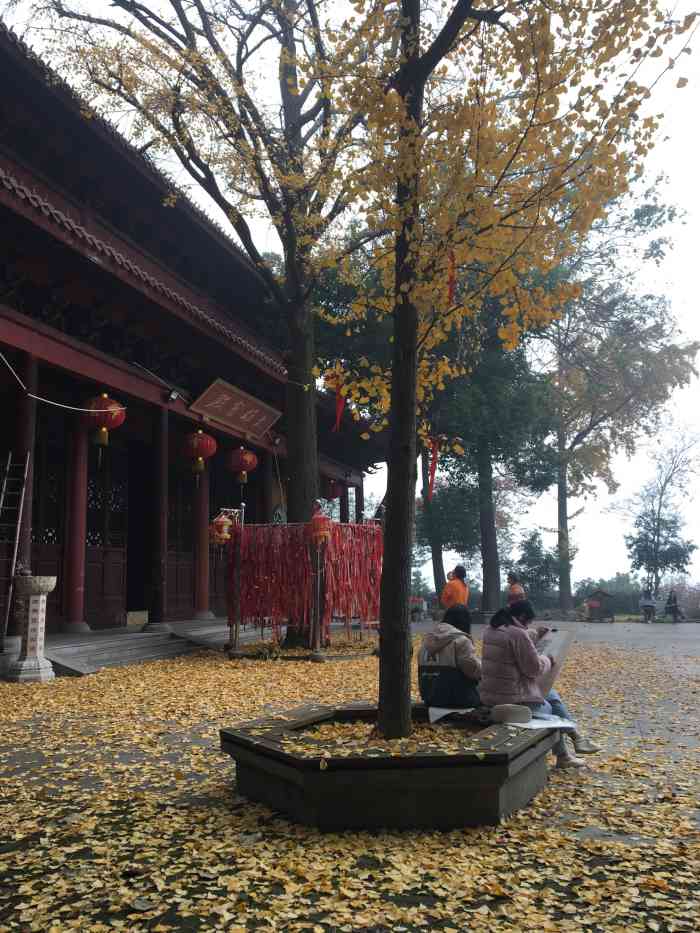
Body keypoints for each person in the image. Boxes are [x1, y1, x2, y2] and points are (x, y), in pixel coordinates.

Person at [480, 600, 599, 769]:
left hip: (492, 694)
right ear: (522, 617)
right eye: (528, 622)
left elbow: (516, 638)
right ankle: (571, 744)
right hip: (512, 699)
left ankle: (574, 742)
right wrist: (548, 659)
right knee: (550, 709)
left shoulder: (491, 630)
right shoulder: (517, 634)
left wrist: (535, 633)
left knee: (551, 694)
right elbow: (534, 669)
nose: (528, 625)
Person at [418, 606, 481, 708]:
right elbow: (473, 670)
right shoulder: (461, 641)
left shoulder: (426, 641)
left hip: (430, 697)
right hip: (455, 699)